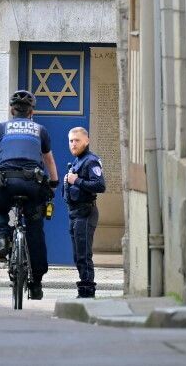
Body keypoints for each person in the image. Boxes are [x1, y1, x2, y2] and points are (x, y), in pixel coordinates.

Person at [0, 90, 58, 300]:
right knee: (35, 230)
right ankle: (36, 284)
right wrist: (54, 182)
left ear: (11, 110)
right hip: (32, 185)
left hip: (6, 183)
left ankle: (3, 239)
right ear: (32, 111)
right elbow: (49, 160)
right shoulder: (40, 130)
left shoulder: (0, 128)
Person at [63, 126, 105, 298]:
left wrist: (76, 180)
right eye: (71, 141)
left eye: (77, 140)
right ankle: (83, 290)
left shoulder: (90, 160)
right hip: (74, 213)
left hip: (85, 213)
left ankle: (87, 293)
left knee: (84, 255)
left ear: (86, 141)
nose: (73, 144)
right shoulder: (77, 161)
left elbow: (100, 185)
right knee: (78, 255)